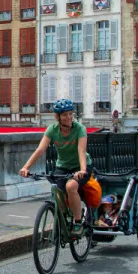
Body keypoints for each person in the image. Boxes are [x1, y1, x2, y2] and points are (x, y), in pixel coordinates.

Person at [19, 98, 92, 239]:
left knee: (71, 186)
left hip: (81, 166)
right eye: (65, 115)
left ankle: (77, 222)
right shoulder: (52, 130)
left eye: (70, 113)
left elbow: (81, 151)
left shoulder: (79, 129)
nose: (69, 117)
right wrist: (26, 167)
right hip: (63, 166)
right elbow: (40, 149)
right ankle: (65, 217)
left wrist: (82, 170)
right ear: (58, 117)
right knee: (57, 192)